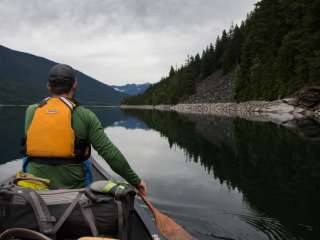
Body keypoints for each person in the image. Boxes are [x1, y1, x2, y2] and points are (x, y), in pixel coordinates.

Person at [23, 63, 147, 196]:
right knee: (86, 160)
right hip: (72, 189)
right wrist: (136, 181)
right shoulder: (85, 115)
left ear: (48, 85)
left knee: (28, 159)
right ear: (74, 85)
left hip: (34, 186)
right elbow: (110, 153)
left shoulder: (32, 110)